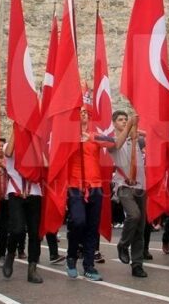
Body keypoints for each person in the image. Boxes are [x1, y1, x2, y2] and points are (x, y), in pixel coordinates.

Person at [65, 106, 113, 281]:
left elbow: (113, 142)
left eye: (85, 112)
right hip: (75, 186)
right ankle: (71, 256)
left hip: (96, 186)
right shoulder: (67, 136)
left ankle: (89, 266)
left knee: (93, 227)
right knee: (78, 221)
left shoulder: (94, 136)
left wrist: (91, 137)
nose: (83, 114)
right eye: (79, 112)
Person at [1, 124, 45, 284]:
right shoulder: (11, 143)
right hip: (16, 191)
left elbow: (46, 164)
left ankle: (32, 269)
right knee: (17, 228)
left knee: (34, 233)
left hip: (34, 192)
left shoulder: (36, 145)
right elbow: (7, 152)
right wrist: (16, 128)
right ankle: (10, 254)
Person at [107, 111, 148, 278]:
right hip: (123, 186)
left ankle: (137, 264)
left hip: (141, 186)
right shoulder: (111, 140)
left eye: (126, 119)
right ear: (114, 123)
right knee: (134, 215)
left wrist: (137, 129)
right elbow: (116, 145)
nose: (124, 122)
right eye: (120, 120)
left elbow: (151, 136)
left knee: (140, 228)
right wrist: (131, 124)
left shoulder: (138, 140)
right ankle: (123, 245)